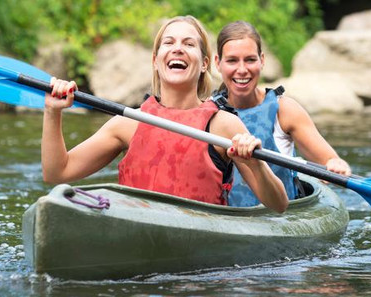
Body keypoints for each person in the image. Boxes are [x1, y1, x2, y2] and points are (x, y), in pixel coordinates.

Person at [41, 16, 289, 212]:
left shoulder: (223, 125)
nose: (178, 49)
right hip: (137, 235)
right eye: (169, 43)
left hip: (200, 261)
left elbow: (279, 205)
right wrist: (53, 112)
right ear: (155, 60)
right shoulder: (128, 124)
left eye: (189, 44)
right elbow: (57, 173)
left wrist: (256, 165)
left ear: (204, 64)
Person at [213, 21, 352, 207]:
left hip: (280, 219)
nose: (242, 69)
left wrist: (336, 165)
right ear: (217, 63)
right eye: (232, 60)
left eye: (250, 59)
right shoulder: (209, 111)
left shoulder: (284, 110)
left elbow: (330, 161)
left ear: (262, 60)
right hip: (227, 221)